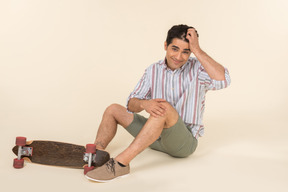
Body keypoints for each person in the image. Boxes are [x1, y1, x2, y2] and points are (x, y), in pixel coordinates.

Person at [85, 24, 231, 182]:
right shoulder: (153, 70)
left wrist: (197, 49)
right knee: (113, 109)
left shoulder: (198, 69)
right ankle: (96, 156)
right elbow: (131, 104)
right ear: (165, 46)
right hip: (153, 137)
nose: (179, 56)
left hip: (182, 144)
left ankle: (120, 164)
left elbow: (223, 80)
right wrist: (144, 104)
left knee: (164, 108)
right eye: (174, 49)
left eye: (186, 52)